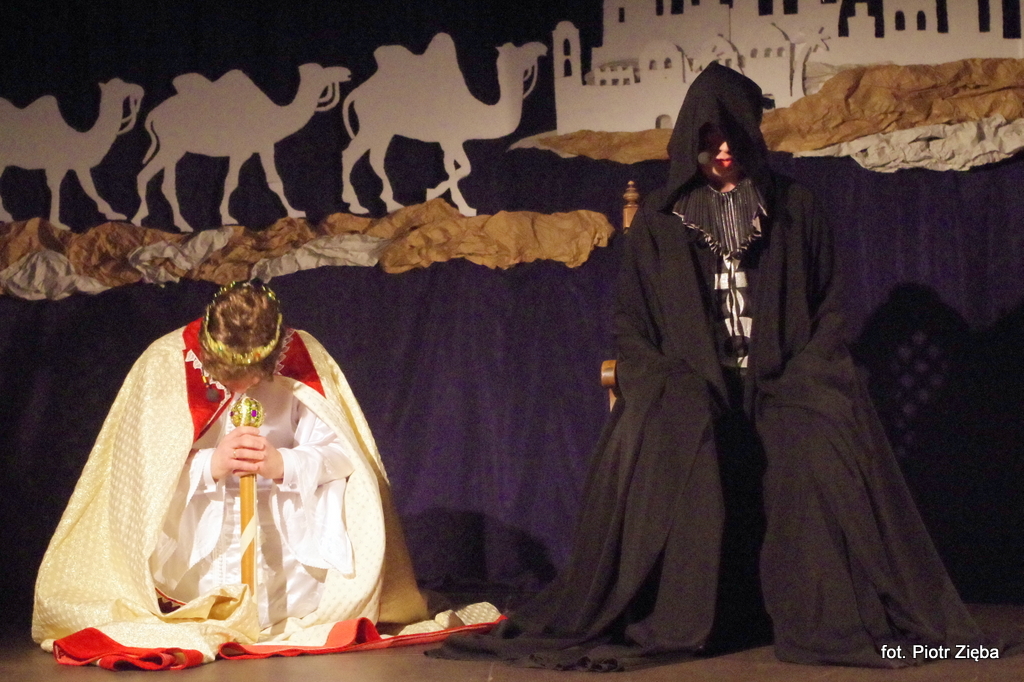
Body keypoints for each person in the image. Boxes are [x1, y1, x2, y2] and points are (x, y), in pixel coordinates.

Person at [433, 63, 988, 671]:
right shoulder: (660, 219)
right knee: (682, 425)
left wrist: (808, 369)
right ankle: (680, 617)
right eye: (708, 137)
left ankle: (824, 616)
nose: (722, 149)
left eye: (732, 136)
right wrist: (667, 379)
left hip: (782, 376)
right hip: (690, 379)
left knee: (819, 430)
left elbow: (827, 308)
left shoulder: (795, 207)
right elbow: (632, 325)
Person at [33, 280, 428, 662]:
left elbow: (343, 454)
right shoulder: (166, 360)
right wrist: (210, 463)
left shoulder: (304, 357)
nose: (242, 386)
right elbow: (139, 470)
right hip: (195, 545)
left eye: (252, 376)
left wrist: (284, 464)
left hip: (288, 555)